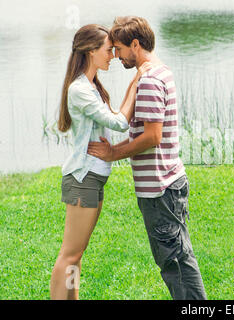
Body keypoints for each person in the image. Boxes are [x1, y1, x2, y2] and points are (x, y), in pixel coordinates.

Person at [87, 16, 207, 300]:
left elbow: (153, 137)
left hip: (160, 188)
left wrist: (114, 152)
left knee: (175, 261)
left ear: (136, 44)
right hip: (167, 184)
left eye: (118, 49)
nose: (116, 56)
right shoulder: (159, 71)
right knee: (178, 255)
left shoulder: (151, 80)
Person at [50, 24, 152, 300]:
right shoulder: (80, 90)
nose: (113, 56)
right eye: (108, 50)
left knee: (77, 254)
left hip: (94, 178)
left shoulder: (92, 87)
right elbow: (119, 122)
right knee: (69, 254)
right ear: (91, 51)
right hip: (83, 178)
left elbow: (116, 119)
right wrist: (135, 82)